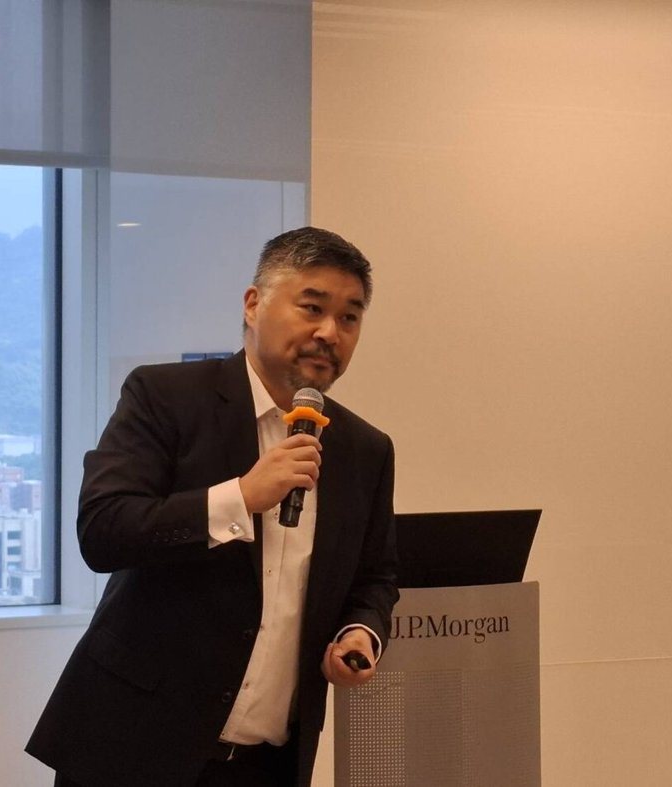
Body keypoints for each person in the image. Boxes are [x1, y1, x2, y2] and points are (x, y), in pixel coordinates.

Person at [26, 226, 398, 786]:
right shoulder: (165, 397)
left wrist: (360, 631)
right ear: (253, 304)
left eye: (350, 317)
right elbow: (103, 531)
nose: (329, 332)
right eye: (312, 307)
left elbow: (375, 578)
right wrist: (241, 497)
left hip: (266, 764)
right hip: (131, 750)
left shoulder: (365, 449)